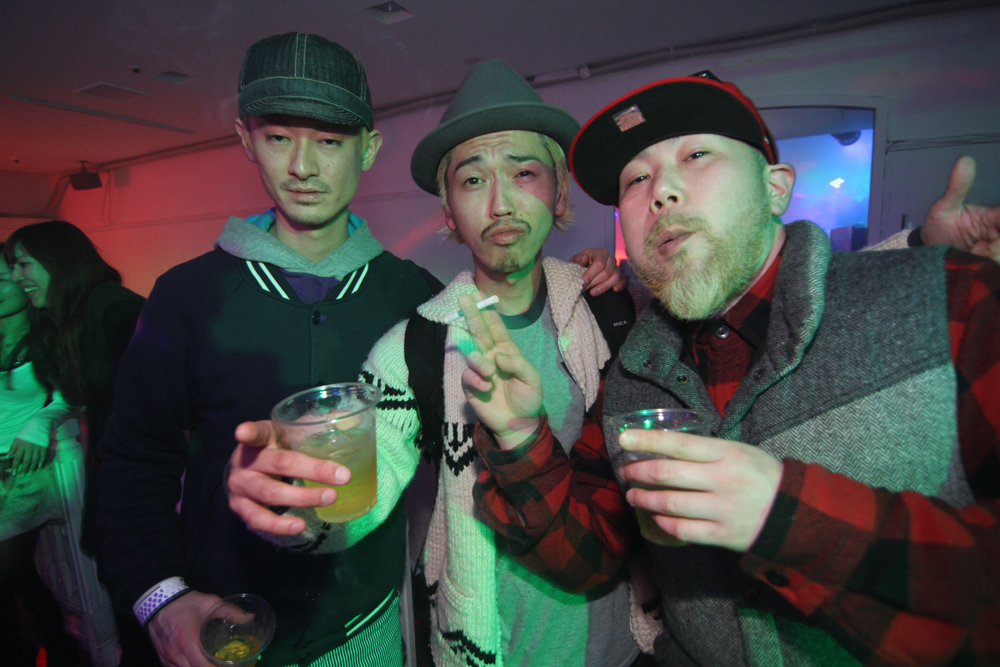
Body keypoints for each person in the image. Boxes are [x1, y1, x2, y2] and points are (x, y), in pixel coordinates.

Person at [97, 36, 620, 667]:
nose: (302, 167)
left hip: (375, 630)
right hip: (226, 626)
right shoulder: (187, 297)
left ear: (368, 148)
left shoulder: (419, 297)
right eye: (278, 137)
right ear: (245, 139)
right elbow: (133, 464)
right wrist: (161, 599)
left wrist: (612, 284)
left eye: (330, 140)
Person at [465, 72, 1000, 665]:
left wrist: (789, 519)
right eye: (635, 180)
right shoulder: (631, 382)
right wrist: (519, 437)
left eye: (696, 155)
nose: (661, 192)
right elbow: (585, 556)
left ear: (775, 188)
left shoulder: (950, 303)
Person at [226, 59, 648, 667]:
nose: (501, 203)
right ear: (449, 211)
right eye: (473, 181)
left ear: (559, 192)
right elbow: (366, 497)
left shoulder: (609, 312)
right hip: (491, 647)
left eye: (524, 172)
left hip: (620, 645)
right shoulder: (413, 347)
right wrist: (298, 501)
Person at [5, 221, 151, 664]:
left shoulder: (111, 307)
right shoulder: (64, 320)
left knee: (137, 589)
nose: (15, 278)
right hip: (113, 471)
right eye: (11, 267)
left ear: (59, 262)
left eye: (23, 264)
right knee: (112, 574)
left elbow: (180, 379)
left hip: (143, 481)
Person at [0, 243, 92, 666]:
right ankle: (41, 648)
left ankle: (56, 649)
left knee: (9, 570)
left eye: (5, 278)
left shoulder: (48, 334)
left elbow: (73, 396)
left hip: (26, 470)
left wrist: (38, 426)